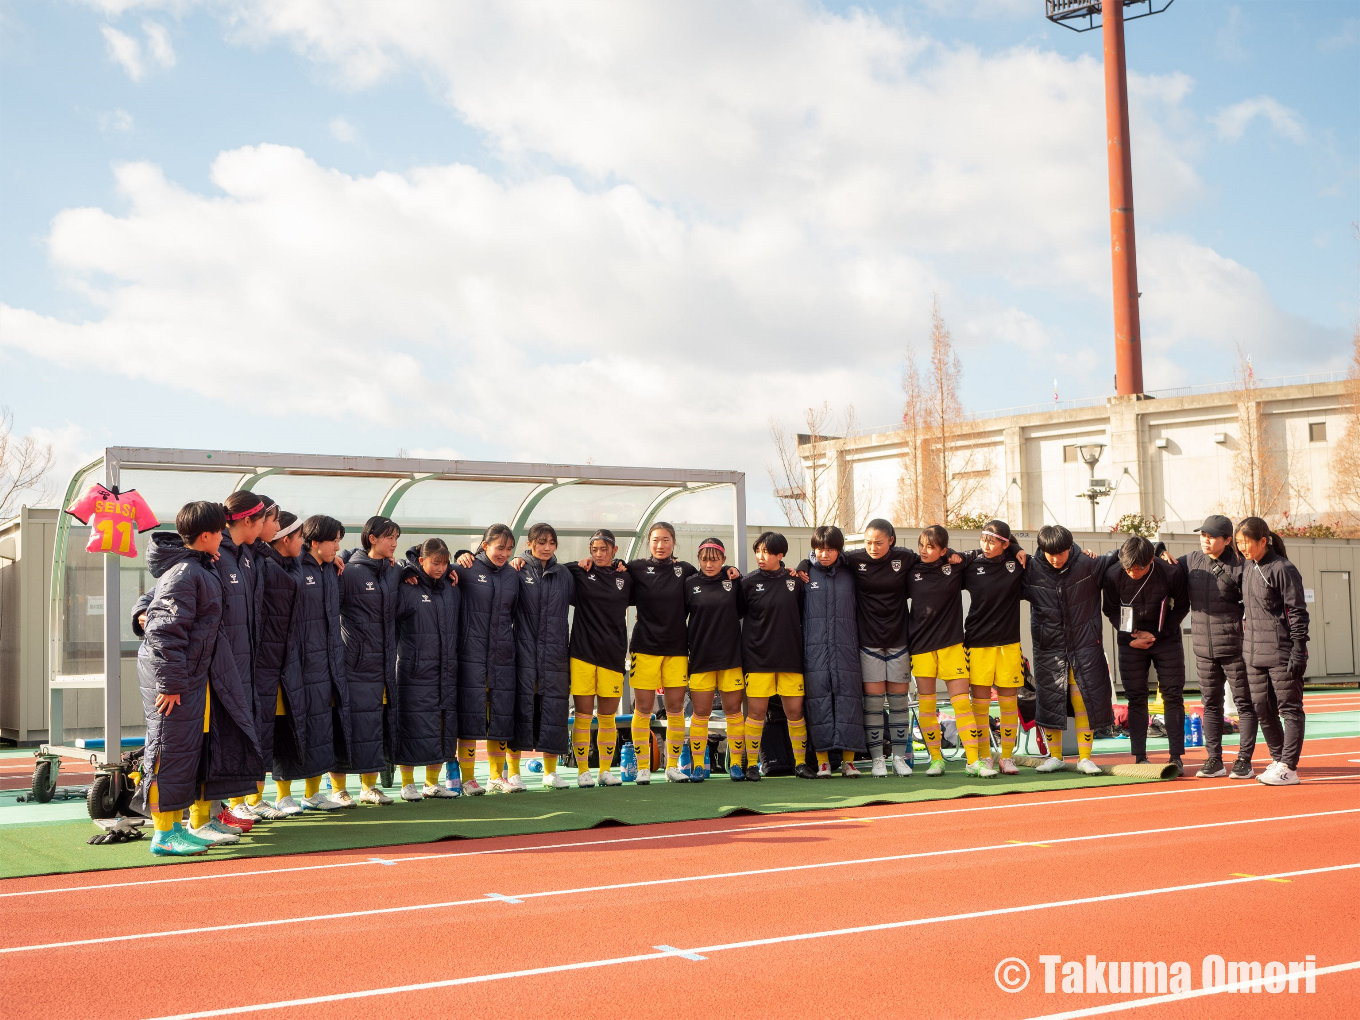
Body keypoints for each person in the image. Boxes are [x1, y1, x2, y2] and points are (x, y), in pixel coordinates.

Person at [134, 501, 233, 856]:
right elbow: (163, 632)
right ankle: (163, 834)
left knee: (182, 751)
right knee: (167, 751)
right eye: (220, 531)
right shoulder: (184, 574)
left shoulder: (198, 567)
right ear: (205, 536)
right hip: (173, 678)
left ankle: (176, 827)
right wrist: (172, 683)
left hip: (187, 675)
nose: (223, 536)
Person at [835, 519, 957, 777]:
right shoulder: (855, 559)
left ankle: (899, 758)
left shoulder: (906, 557)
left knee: (899, 702)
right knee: (874, 704)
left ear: (891, 540)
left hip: (900, 642)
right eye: (869, 542)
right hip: (868, 643)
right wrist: (803, 564)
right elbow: (824, 556)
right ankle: (879, 759)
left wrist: (955, 554)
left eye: (879, 542)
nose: (873, 547)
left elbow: (935, 554)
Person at [1163, 516, 1256, 779]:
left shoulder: (1241, 565)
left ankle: (1244, 760)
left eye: (1212, 536)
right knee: (1210, 705)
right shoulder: (1190, 560)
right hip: (1203, 648)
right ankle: (1214, 759)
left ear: (1228, 540)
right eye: (1203, 534)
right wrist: (1158, 549)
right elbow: (1164, 567)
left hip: (1236, 646)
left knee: (1244, 704)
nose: (1206, 540)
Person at [202, 491, 269, 839]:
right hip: (218, 670)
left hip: (240, 668)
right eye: (265, 520)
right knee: (215, 743)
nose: (268, 527)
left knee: (231, 742)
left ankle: (219, 810)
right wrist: (141, 611)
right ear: (247, 521)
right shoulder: (216, 554)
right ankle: (204, 817)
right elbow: (172, 583)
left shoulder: (246, 555)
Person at [1023, 525, 1115, 774]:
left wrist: (1158, 548)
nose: (1055, 558)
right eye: (1049, 553)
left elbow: (1123, 555)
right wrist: (1014, 548)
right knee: (1051, 702)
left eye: (1061, 553)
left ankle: (1085, 758)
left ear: (1070, 547)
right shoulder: (1030, 568)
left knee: (1084, 699)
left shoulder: (1088, 563)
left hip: (1084, 645)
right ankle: (1055, 757)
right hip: (1048, 648)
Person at [907, 526, 998, 778]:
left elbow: (987, 550)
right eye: (921, 545)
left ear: (943, 550)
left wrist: (1016, 547)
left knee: (962, 705)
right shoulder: (910, 568)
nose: (924, 551)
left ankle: (973, 761)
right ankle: (936, 760)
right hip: (921, 647)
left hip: (952, 645)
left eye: (930, 547)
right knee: (927, 707)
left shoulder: (956, 565)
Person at [274, 514, 350, 812]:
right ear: (314, 542)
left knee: (321, 729)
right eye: (333, 541)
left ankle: (314, 793)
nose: (337, 547)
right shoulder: (292, 566)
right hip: (296, 663)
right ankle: (282, 796)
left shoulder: (332, 568)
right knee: (292, 728)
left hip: (327, 663)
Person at [1100, 535, 1190, 774]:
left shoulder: (1170, 572)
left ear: (1151, 560)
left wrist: (1156, 636)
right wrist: (1131, 637)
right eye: (1128, 568)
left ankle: (1176, 756)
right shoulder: (1113, 575)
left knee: (1173, 695)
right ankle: (1140, 757)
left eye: (1138, 568)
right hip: (1130, 641)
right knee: (1136, 697)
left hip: (1166, 638)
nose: (1132, 572)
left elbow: (1182, 605)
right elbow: (1109, 609)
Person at [623, 522, 702, 783]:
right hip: (645, 648)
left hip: (677, 650)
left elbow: (710, 578)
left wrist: (730, 570)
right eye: (656, 540)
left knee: (676, 709)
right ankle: (643, 768)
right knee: (643, 709)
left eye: (666, 540)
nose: (660, 545)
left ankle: (672, 767)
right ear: (649, 542)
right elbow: (606, 567)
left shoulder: (686, 570)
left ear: (674, 543)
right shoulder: (634, 568)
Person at [1236, 517, 1310, 786]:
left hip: (1282, 651)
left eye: (1246, 542)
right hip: (1253, 654)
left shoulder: (1282, 568)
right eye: (1238, 543)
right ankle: (1279, 760)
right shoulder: (1247, 567)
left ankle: (1289, 767)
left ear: (1263, 541)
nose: (1242, 548)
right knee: (1262, 708)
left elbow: (1297, 611)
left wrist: (1299, 649)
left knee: (1289, 709)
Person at [336, 515, 404, 806]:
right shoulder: (349, 572)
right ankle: (339, 789)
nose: (394, 543)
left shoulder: (393, 571)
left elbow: (422, 563)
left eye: (396, 538)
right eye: (389, 537)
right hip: (353, 663)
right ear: (372, 538)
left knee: (374, 725)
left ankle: (369, 787)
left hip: (384, 664)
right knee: (346, 724)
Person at [451, 524, 521, 794]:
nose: (504, 553)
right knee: (470, 715)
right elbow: (429, 565)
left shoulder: (513, 575)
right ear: (484, 545)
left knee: (500, 715)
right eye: (499, 547)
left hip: (502, 655)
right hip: (471, 655)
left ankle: (495, 776)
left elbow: (513, 614)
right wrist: (460, 554)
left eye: (508, 548)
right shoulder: (465, 568)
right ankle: (468, 778)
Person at [392, 539, 461, 800]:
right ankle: (407, 784)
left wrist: (461, 558)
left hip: (445, 671)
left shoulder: (451, 587)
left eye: (445, 563)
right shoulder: (406, 584)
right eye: (435, 562)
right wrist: (403, 568)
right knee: (410, 725)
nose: (441, 568)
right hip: (413, 670)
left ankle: (432, 783)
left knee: (442, 728)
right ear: (421, 561)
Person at [510, 523, 575, 790]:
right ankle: (513, 773)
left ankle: (550, 772)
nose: (546, 547)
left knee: (553, 712)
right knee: (518, 711)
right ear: (529, 543)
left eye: (551, 542)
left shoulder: (564, 574)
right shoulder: (516, 570)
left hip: (555, 655)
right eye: (541, 542)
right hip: (522, 653)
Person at [245, 497, 299, 819]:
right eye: (274, 520)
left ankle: (267, 798)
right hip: (254, 665)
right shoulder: (244, 559)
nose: (276, 526)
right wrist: (143, 610)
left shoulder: (272, 562)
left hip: (281, 666)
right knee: (252, 735)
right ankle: (243, 802)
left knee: (278, 733)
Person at [565, 529, 632, 787]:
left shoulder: (626, 578)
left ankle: (605, 770)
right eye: (594, 550)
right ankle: (583, 771)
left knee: (607, 717)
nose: (599, 554)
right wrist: (579, 562)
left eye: (605, 549)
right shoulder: (581, 572)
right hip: (582, 653)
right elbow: (554, 567)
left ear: (615, 550)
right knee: (582, 714)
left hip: (613, 654)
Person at [961, 520, 1029, 775]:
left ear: (1005, 544)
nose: (986, 545)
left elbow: (1047, 559)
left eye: (992, 541)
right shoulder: (970, 563)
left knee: (1009, 703)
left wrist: (1017, 548)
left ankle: (1007, 757)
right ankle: (985, 756)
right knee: (979, 704)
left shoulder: (1018, 563)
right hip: (978, 644)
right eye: (983, 539)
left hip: (1009, 644)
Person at [741, 531, 810, 780]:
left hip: (790, 659)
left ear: (780, 555)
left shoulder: (795, 582)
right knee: (757, 713)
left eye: (767, 552)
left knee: (795, 712)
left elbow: (804, 615)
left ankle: (800, 764)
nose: (761, 556)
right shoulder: (747, 583)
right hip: (758, 660)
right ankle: (751, 765)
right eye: (758, 551)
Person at [801, 526, 867, 776]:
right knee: (818, 705)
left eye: (830, 549)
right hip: (814, 651)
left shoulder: (851, 573)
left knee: (849, 702)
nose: (824, 554)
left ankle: (849, 762)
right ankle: (823, 763)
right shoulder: (804, 575)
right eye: (820, 549)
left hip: (847, 649)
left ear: (839, 550)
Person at [683, 537, 747, 781]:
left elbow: (744, 611)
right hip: (701, 658)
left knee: (733, 712)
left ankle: (736, 765)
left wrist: (737, 576)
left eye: (715, 559)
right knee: (700, 713)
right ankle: (698, 766)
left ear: (723, 559)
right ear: (698, 560)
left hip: (731, 658)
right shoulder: (689, 584)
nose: (709, 564)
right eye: (704, 559)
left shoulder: (733, 581)